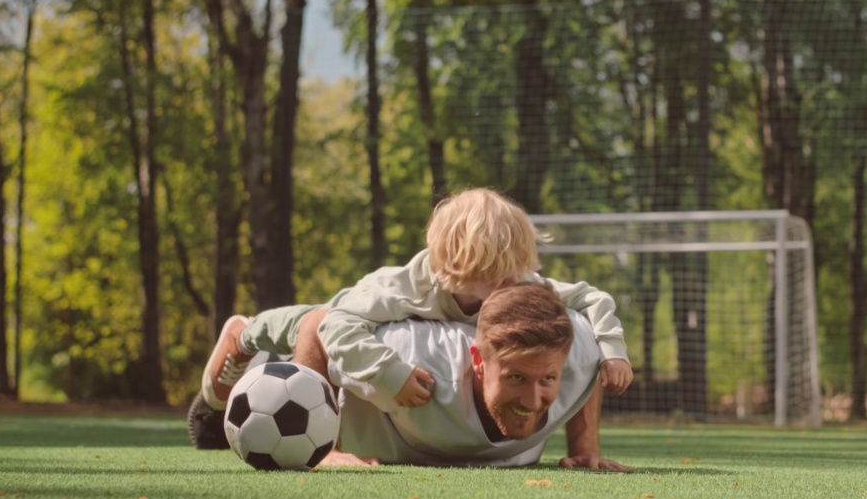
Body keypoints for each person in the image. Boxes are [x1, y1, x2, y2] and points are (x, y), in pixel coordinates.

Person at [188, 188, 633, 449]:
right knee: (303, 321)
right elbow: (336, 326)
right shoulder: (406, 290)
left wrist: (612, 350)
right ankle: (242, 335)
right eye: (496, 279)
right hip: (338, 309)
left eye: (515, 272)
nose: (512, 288)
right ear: (458, 272)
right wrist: (389, 373)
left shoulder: (518, 284)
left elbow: (590, 299)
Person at [308, 282, 628, 469]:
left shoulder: (579, 352)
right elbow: (315, 327)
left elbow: (588, 351)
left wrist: (585, 448)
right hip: (341, 313)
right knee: (276, 327)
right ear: (478, 362)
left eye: (547, 379)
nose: (532, 401)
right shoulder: (411, 356)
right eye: (515, 378)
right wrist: (324, 452)